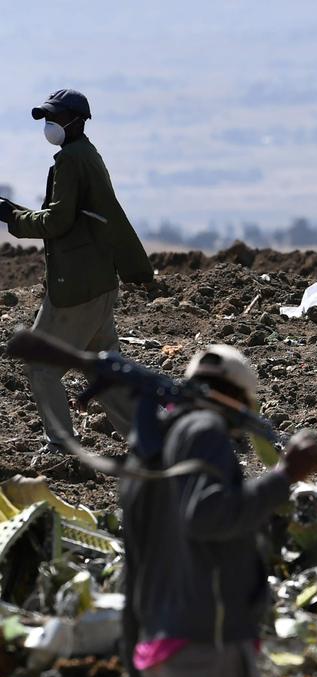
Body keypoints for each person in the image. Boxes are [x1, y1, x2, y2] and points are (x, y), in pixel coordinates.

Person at [120, 345, 317, 677]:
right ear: (239, 400)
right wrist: (284, 477)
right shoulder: (205, 430)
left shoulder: (146, 458)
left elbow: (133, 573)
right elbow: (209, 515)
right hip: (205, 653)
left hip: (161, 653)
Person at [1, 89, 154, 452]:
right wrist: (15, 211)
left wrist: (12, 217)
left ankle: (62, 445)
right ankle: (148, 441)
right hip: (98, 280)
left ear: (77, 121)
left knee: (40, 363)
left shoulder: (71, 159)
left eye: (55, 118)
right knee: (104, 370)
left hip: (76, 288)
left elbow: (57, 221)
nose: (50, 126)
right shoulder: (86, 154)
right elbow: (70, 215)